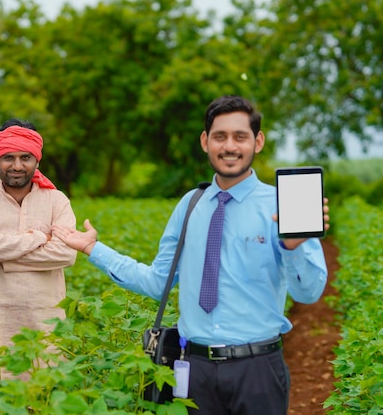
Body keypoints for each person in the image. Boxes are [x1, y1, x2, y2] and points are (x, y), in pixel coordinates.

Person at [52, 95, 330, 415]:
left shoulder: (281, 205)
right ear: (205, 141)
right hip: (193, 370)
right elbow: (159, 282)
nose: (230, 146)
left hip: (257, 371)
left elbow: (308, 293)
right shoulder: (190, 205)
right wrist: (93, 249)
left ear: (258, 141)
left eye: (240, 137)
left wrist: (292, 248)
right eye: (220, 136)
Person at [0, 119, 77, 402]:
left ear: (36, 160)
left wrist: (8, 258)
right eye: (8, 158)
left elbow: (66, 253)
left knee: (43, 398)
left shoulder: (57, 201)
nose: (16, 165)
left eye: (25, 158)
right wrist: (38, 237)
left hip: (44, 323)